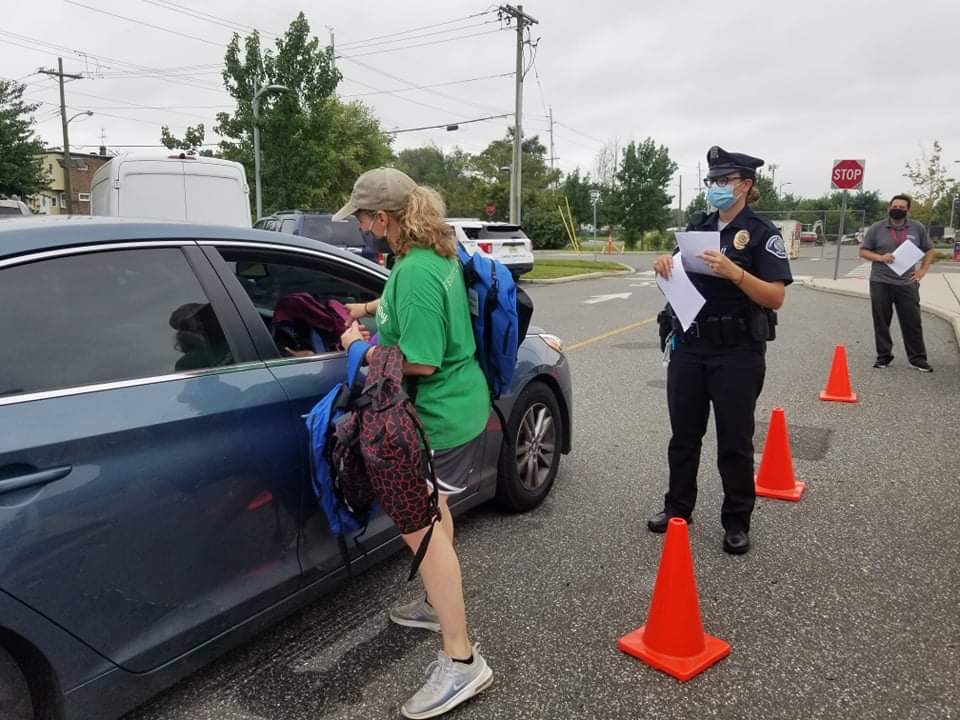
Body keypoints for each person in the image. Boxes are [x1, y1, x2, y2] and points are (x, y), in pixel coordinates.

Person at [335, 167, 493, 719]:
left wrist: (360, 349)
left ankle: (462, 659)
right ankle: (436, 603)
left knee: (421, 532)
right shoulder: (430, 256)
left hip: (439, 417)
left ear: (384, 218)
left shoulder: (416, 271)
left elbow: (420, 359)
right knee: (437, 509)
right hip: (460, 406)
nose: (360, 227)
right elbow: (406, 304)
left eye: (361, 217)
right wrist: (367, 312)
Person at [650, 146, 793, 555]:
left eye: (724, 180)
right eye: (712, 180)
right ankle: (677, 508)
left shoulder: (762, 234)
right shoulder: (698, 228)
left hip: (737, 353)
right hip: (690, 347)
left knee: (734, 441)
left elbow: (775, 297)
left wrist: (736, 273)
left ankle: (736, 520)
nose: (715, 187)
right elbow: (677, 270)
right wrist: (665, 261)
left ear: (746, 185)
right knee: (684, 436)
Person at [859, 194, 935, 372]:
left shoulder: (917, 228)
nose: (898, 209)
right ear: (889, 207)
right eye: (895, 206)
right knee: (881, 321)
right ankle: (884, 356)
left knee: (912, 321)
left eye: (902, 207)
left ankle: (917, 359)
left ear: (908, 210)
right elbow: (863, 251)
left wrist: (922, 270)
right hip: (881, 281)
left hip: (907, 283)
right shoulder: (877, 228)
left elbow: (929, 249)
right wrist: (880, 257)